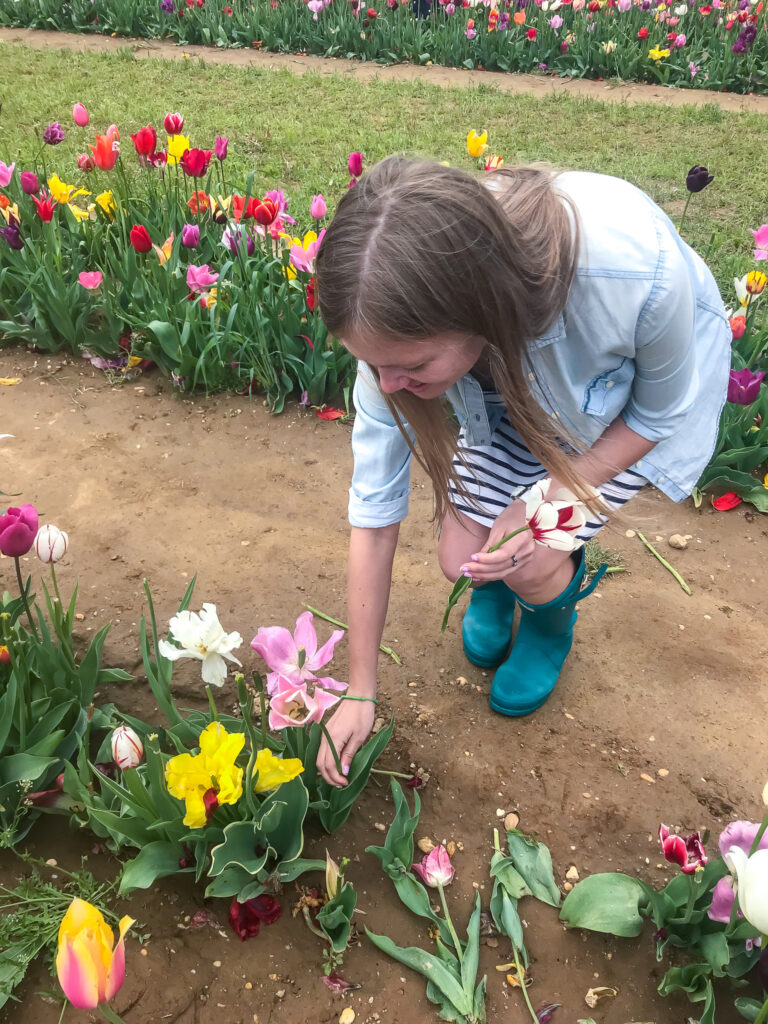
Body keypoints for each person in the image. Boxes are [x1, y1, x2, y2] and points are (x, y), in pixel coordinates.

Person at [313, 156, 730, 788]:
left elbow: (658, 414)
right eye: (373, 365)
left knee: (534, 550)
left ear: (477, 311)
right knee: (461, 556)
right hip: (502, 385)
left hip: (614, 408)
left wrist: (545, 500)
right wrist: (361, 688)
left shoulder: (636, 275)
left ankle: (548, 622)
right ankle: (501, 587)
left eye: (410, 367)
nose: (387, 385)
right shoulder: (390, 329)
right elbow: (374, 515)